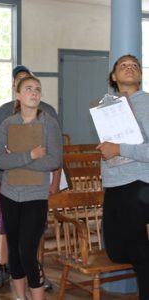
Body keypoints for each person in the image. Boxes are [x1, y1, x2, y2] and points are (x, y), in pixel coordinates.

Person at [0, 65, 61, 290]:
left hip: (37, 186)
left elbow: (55, 155)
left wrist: (55, 180)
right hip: (8, 182)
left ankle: (34, 269)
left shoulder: (48, 115)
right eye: (24, 85)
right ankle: (4, 268)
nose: (32, 91)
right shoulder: (4, 114)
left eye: (34, 86)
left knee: (33, 233)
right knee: (8, 231)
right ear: (16, 89)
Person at [97, 54, 149, 300]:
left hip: (139, 185)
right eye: (123, 65)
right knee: (116, 251)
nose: (130, 68)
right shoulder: (107, 106)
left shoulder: (147, 103)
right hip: (114, 185)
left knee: (139, 252)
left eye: (134, 65)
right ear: (114, 76)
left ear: (139, 75)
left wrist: (119, 149)